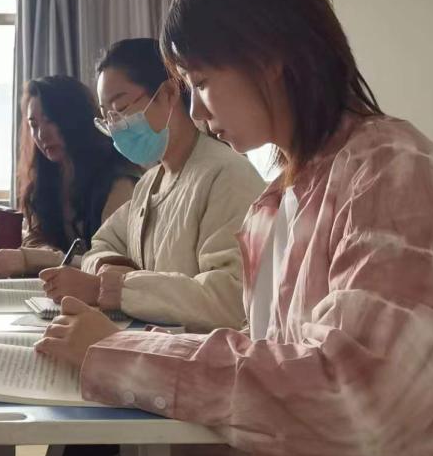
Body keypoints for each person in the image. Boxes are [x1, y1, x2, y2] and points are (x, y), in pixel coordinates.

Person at [37, 0, 433, 456]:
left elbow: (350, 398)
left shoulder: (393, 174)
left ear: (269, 59)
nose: (196, 111)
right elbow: (274, 357)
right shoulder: (284, 195)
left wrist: (122, 351)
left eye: (202, 82)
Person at [40, 38, 265, 332]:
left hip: (200, 354)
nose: (116, 126)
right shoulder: (149, 184)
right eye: (107, 118)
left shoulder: (226, 176)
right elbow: (102, 245)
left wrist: (111, 289)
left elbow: (230, 299)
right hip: (150, 345)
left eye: (121, 108)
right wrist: (107, 266)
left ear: (169, 93)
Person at [0, 76, 139, 279]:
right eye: (34, 125)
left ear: (76, 118)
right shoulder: (48, 178)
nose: (41, 135)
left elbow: (112, 264)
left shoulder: (118, 182)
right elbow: (35, 238)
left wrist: (38, 259)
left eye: (50, 121)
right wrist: (42, 251)